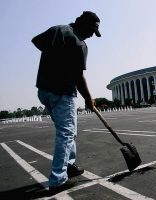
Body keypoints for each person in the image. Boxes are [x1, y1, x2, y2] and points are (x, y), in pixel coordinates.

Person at [32, 11, 101, 193]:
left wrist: (54, 57)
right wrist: (88, 98)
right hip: (63, 93)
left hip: (44, 90)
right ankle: (58, 180)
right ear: (83, 24)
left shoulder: (57, 30)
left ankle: (69, 165)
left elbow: (37, 41)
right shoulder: (79, 44)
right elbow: (78, 76)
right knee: (66, 134)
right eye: (92, 30)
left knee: (67, 131)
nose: (92, 35)